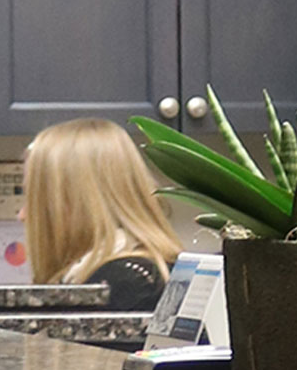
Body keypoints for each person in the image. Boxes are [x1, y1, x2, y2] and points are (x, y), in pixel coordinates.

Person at [22, 118, 182, 311]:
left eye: (34, 201)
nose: (22, 215)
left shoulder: (123, 284)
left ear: (71, 203)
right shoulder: (149, 271)